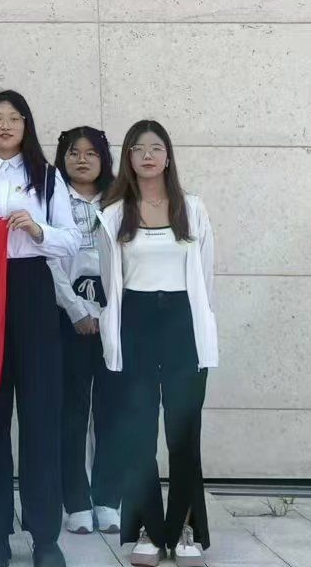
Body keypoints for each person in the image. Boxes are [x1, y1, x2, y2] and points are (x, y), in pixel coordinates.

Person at [0, 91, 80, 567]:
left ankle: (45, 536)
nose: (4, 125)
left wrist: (38, 230)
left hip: (32, 291)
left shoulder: (48, 177)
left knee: (41, 418)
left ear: (26, 125)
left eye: (14, 118)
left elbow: (71, 242)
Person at [96, 121, 216, 564]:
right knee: (139, 434)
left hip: (183, 325)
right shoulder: (114, 215)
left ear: (168, 157)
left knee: (183, 435)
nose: (147, 156)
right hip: (136, 326)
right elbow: (110, 283)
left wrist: (202, 330)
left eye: (156, 148)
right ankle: (147, 528)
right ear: (128, 157)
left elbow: (206, 278)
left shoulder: (192, 208)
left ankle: (185, 527)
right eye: (138, 148)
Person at [49, 127, 119, 536]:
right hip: (68, 316)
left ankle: (108, 500)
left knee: (111, 410)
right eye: (73, 153)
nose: (82, 160)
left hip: (115, 318)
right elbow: (49, 257)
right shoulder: (51, 198)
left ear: (103, 159)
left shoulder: (120, 199)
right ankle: (75, 501)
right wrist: (76, 309)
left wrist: (109, 312)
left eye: (91, 153)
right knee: (71, 412)